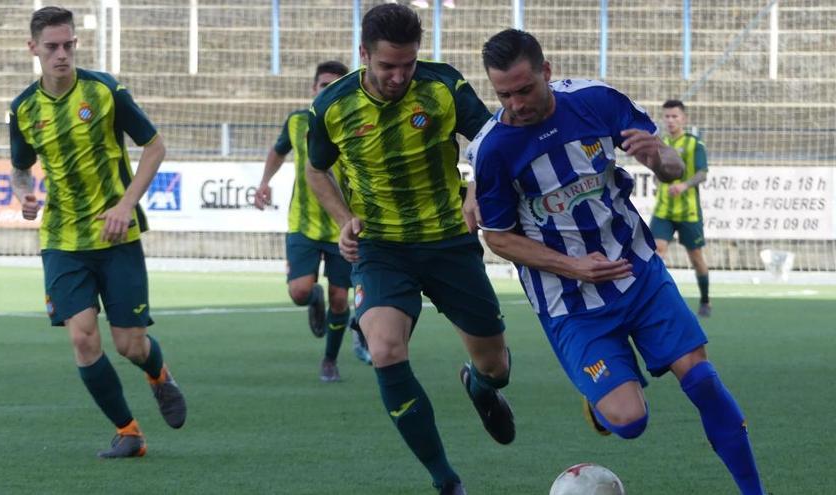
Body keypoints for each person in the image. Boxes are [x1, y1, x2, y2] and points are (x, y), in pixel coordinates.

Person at [469, 29, 764, 495]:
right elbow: (499, 239)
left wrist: (663, 160)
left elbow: (670, 166)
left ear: (547, 72)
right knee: (629, 421)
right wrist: (573, 267)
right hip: (570, 301)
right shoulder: (494, 149)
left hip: (637, 269)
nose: (517, 104)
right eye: (504, 94)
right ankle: (604, 399)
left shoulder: (596, 101)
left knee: (704, 381)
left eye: (525, 89)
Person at [305, 4, 513, 494]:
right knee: (384, 349)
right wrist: (343, 220)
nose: (399, 76)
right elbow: (316, 168)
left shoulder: (443, 86)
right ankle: (446, 480)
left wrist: (474, 193)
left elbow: (491, 142)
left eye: (408, 64)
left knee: (496, 366)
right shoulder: (332, 106)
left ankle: (481, 387)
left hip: (447, 243)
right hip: (380, 248)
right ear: (363, 55)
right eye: (386, 66)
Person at [9, 6, 186, 458]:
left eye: (68, 44)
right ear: (34, 49)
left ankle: (159, 375)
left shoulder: (105, 91)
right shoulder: (23, 109)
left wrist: (126, 205)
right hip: (63, 239)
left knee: (130, 344)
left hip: (116, 236)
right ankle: (129, 432)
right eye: (52, 47)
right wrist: (25, 195)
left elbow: (155, 146)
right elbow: (20, 169)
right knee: (82, 336)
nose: (62, 54)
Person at [253, 60, 372, 381]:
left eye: (336, 85)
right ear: (313, 89)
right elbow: (278, 151)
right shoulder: (297, 122)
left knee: (339, 297)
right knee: (300, 292)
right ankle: (312, 297)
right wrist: (264, 182)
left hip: (342, 226)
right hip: (302, 224)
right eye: (323, 85)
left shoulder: (356, 121)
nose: (328, 91)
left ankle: (329, 361)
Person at [651, 100, 711, 317]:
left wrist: (684, 185)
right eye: (667, 116)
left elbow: (703, 173)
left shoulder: (695, 144)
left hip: (688, 212)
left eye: (674, 116)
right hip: (663, 211)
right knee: (656, 252)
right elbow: (657, 173)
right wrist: (658, 184)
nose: (670, 120)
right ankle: (658, 301)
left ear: (683, 118)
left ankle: (705, 300)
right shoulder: (660, 143)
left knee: (695, 258)